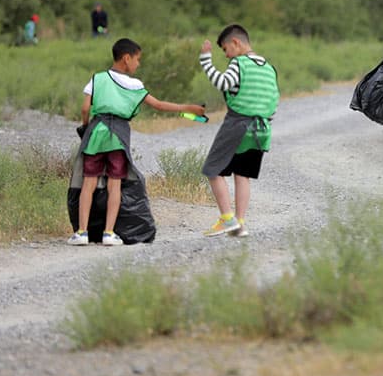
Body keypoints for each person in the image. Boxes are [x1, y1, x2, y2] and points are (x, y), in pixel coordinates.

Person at [69, 38, 205, 245]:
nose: (138, 64)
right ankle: (108, 233)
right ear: (126, 58)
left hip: (95, 134)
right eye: (137, 59)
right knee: (115, 185)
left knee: (88, 183)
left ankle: (81, 232)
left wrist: (86, 126)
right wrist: (188, 108)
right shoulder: (135, 85)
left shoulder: (97, 79)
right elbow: (158, 105)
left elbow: (85, 108)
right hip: (117, 137)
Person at [199, 24, 279, 237]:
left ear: (236, 43)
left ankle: (227, 218)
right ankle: (240, 223)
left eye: (225, 50)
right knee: (242, 174)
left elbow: (223, 83)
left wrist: (206, 60)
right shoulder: (269, 67)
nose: (226, 55)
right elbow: (274, 101)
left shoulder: (239, 63)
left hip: (238, 125)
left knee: (212, 169)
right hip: (262, 129)